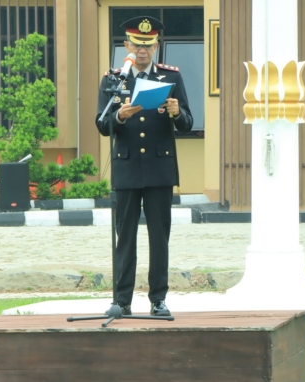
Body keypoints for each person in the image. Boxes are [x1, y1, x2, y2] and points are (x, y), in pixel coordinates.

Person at [95, 16, 193, 317]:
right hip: (126, 169)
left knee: (158, 237)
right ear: (126, 45)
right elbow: (101, 124)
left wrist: (176, 113)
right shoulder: (114, 80)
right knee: (124, 237)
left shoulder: (170, 78)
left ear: (156, 46)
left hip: (159, 168)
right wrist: (119, 117)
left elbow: (187, 124)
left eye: (148, 46)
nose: (142, 51)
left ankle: (158, 299)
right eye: (137, 45)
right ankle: (122, 300)